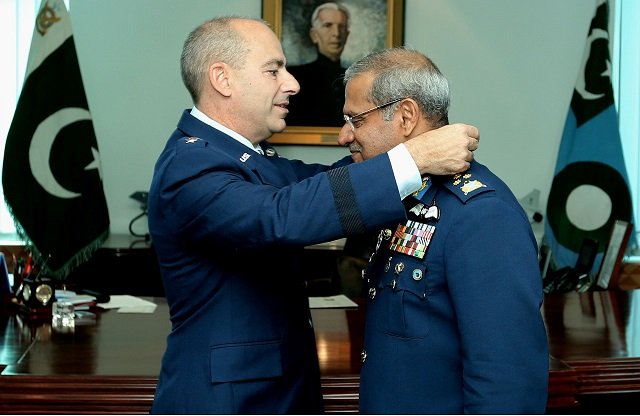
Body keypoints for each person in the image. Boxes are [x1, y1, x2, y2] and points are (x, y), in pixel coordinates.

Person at [147, 16, 479, 414]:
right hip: (228, 402)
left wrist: (400, 143)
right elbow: (281, 217)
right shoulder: (190, 166)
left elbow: (325, 184)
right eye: (274, 70)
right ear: (223, 79)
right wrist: (416, 156)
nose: (292, 83)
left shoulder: (243, 157)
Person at [337, 47, 549, 414]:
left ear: (405, 117)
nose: (345, 135)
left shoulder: (481, 215)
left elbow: (507, 381)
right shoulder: (407, 195)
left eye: (356, 120)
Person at [286, 2, 349, 127]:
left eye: (341, 27)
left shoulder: (355, 78)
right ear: (314, 35)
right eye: (328, 25)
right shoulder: (295, 78)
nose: (336, 33)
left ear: (347, 35)